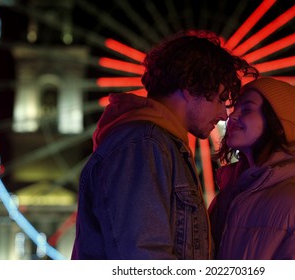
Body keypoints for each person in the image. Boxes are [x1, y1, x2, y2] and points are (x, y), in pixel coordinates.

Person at [71, 30, 258, 259]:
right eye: (220, 99)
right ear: (191, 87)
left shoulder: (159, 146)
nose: (223, 114)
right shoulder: (142, 146)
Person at [209, 76, 295, 259]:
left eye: (247, 109)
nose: (232, 116)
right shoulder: (228, 197)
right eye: (236, 107)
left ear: (279, 125)